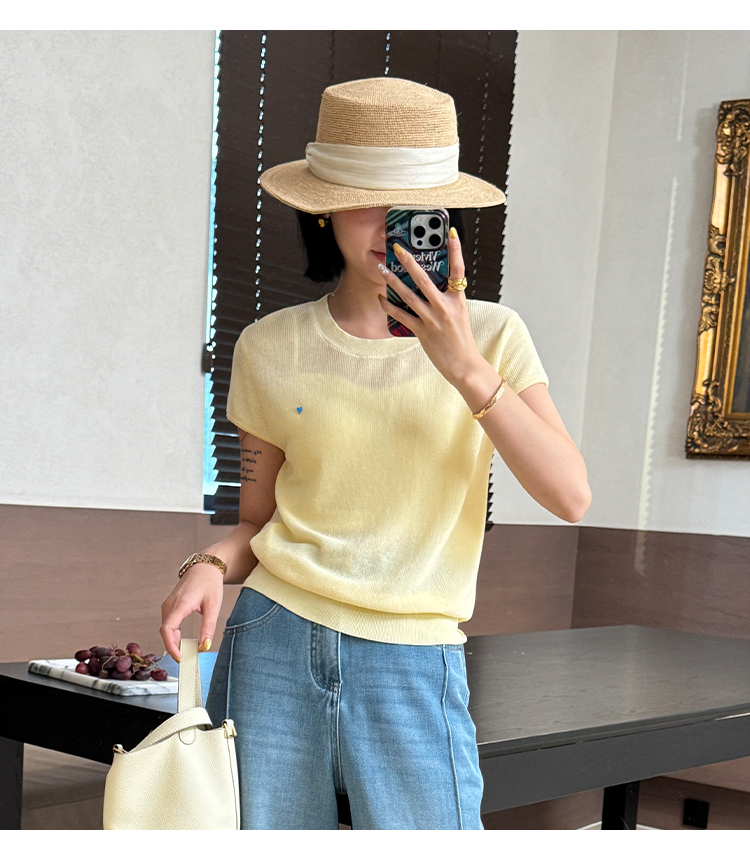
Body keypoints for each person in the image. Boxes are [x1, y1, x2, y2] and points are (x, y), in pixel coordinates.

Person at [159, 77, 591, 830]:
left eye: (412, 204)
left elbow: (571, 496)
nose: (388, 224)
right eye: (366, 199)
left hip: (414, 655)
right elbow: (257, 525)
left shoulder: (494, 337)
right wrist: (206, 565)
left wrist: (463, 366)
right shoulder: (269, 346)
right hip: (273, 641)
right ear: (324, 207)